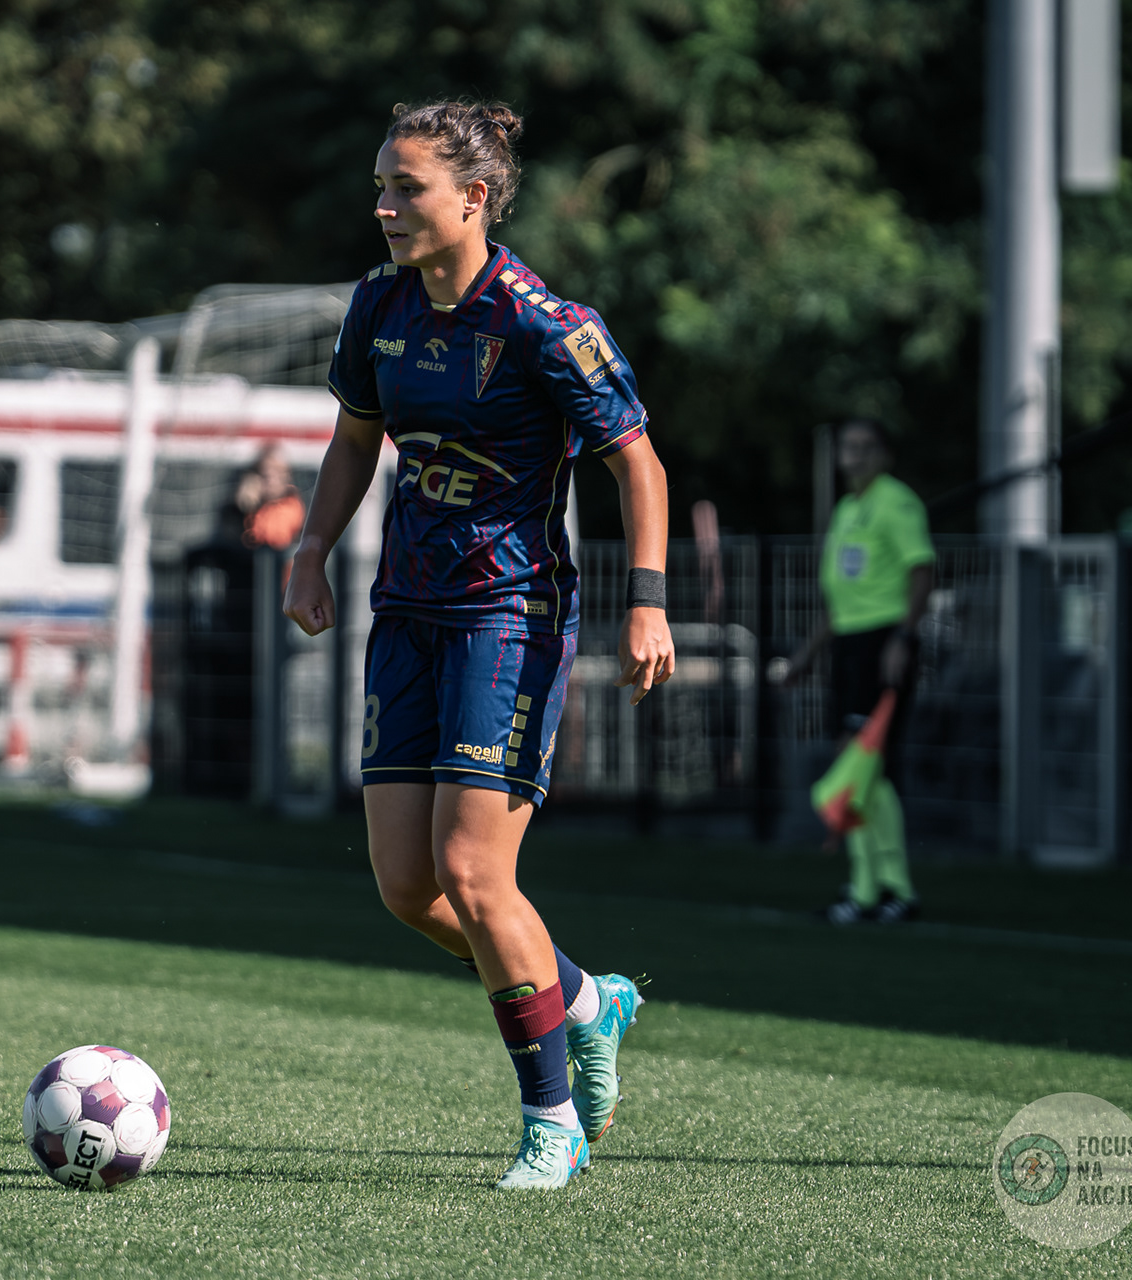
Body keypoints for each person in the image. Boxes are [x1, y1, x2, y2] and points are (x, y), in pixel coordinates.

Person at [283, 100, 676, 1189]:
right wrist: (312, 549)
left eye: (404, 187)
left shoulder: (548, 324)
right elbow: (355, 439)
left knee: (472, 870)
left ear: (474, 198)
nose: (384, 205)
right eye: (381, 185)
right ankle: (586, 1000)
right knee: (409, 887)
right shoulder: (378, 305)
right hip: (406, 612)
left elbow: (638, 463)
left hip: (510, 616)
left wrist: (647, 603)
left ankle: (552, 1121)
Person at [785, 418, 933, 924]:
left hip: (881, 642)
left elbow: (921, 571)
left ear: (885, 455)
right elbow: (841, 596)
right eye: (849, 446)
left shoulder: (897, 502)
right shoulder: (848, 509)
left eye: (866, 447)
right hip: (850, 644)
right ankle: (871, 889)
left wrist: (903, 638)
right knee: (857, 764)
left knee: (866, 765)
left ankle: (887, 888)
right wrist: (809, 652)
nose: (855, 455)